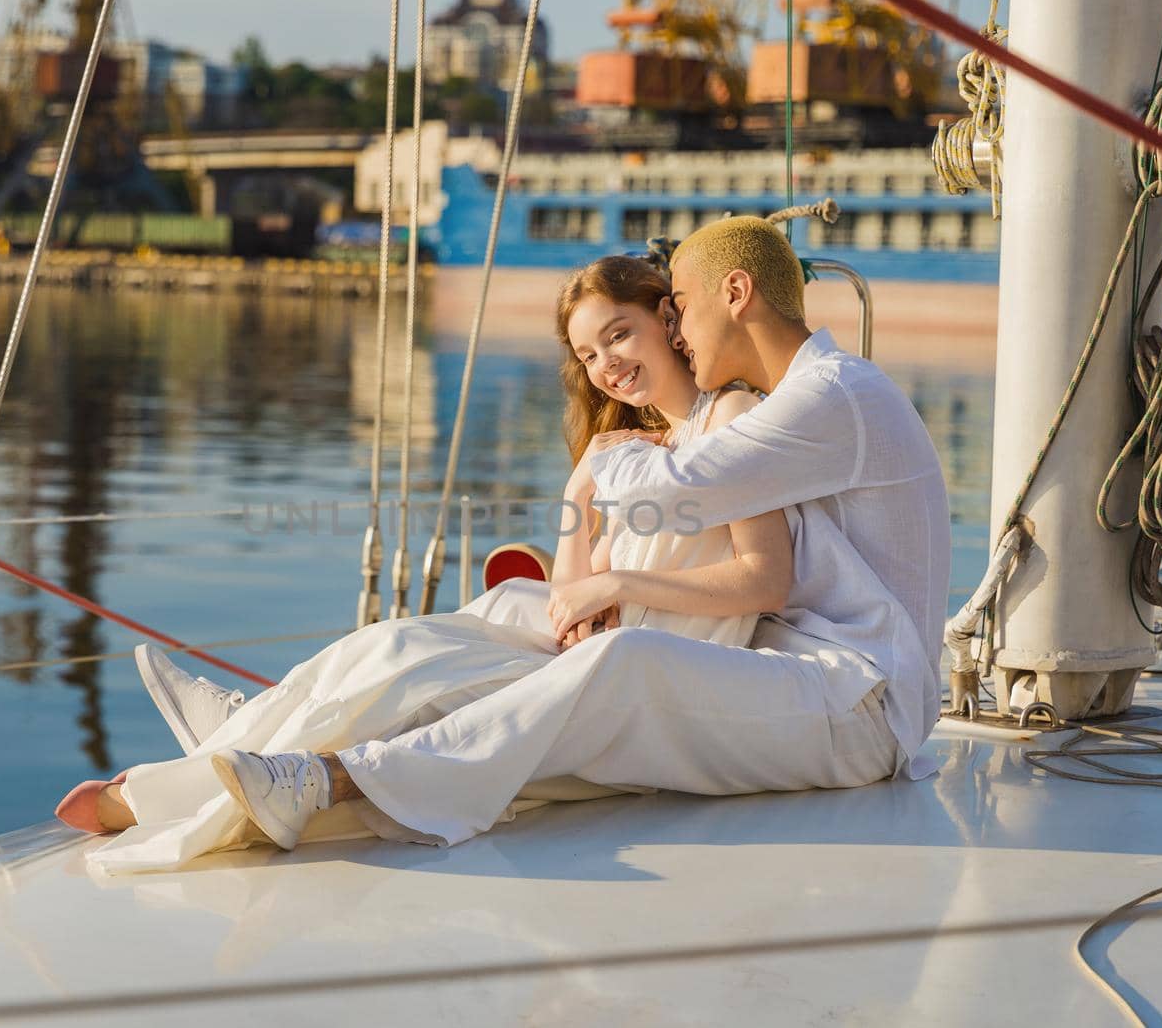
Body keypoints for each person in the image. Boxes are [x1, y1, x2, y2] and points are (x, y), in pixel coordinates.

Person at [59, 252, 801, 867]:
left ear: (665, 321)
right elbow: (571, 591)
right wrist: (584, 480)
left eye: (620, 335)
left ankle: (196, 770)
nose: (608, 363)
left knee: (422, 685)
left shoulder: (727, 418)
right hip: (597, 644)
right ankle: (250, 725)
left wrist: (612, 582)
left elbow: (764, 579)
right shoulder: (632, 449)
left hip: (658, 665)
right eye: (588, 353)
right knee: (398, 642)